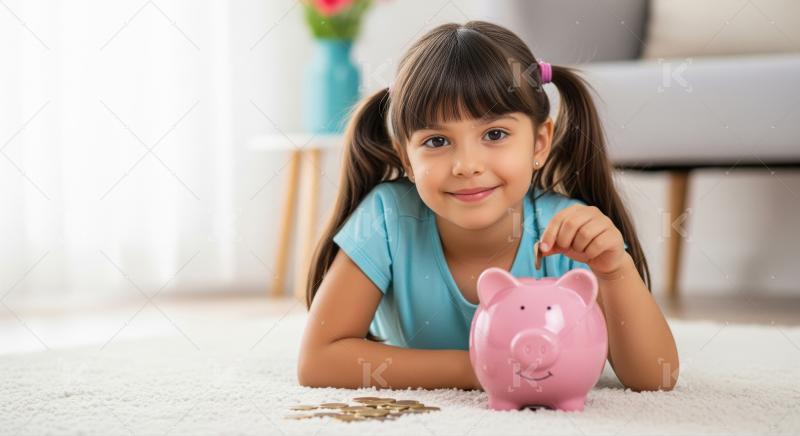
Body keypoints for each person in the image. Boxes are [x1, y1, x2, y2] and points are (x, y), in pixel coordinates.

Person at [298, 21, 678, 392]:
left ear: (540, 142)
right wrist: (480, 368)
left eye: (495, 134)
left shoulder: (569, 230)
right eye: (436, 141)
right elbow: (319, 360)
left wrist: (613, 269)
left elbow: (654, 377)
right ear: (407, 158)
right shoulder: (385, 218)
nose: (467, 165)